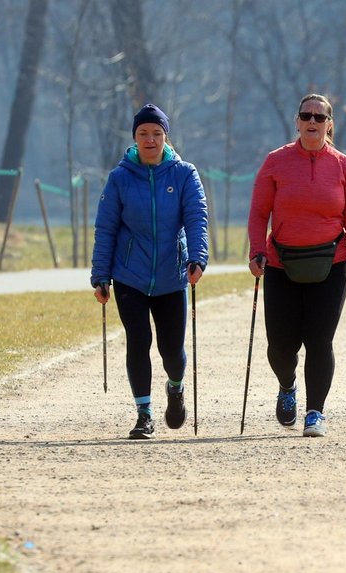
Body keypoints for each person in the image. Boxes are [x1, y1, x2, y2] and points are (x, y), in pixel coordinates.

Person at [247, 93, 346, 438]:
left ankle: (315, 412)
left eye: (320, 117)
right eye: (306, 116)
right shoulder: (276, 162)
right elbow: (259, 214)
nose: (313, 122)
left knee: (320, 341)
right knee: (280, 345)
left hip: (331, 264)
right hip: (280, 265)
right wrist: (257, 251)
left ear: (330, 124)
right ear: (297, 122)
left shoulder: (344, 166)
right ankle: (287, 386)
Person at [91, 104, 209, 440]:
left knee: (171, 350)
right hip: (130, 276)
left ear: (165, 136)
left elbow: (197, 219)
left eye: (156, 133)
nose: (150, 139)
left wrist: (198, 258)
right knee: (138, 341)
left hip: (172, 275)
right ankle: (144, 414)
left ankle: (175, 386)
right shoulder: (119, 178)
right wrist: (100, 274)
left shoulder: (185, 174)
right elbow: (106, 228)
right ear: (135, 138)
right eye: (143, 133)